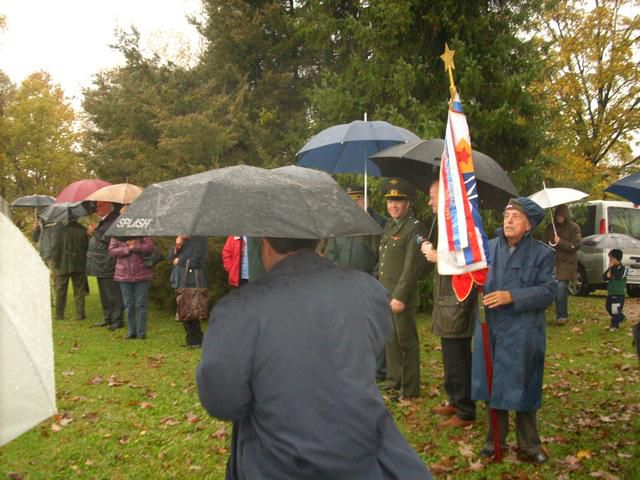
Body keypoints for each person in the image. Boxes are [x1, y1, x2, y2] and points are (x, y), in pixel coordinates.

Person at [197, 237, 431, 480]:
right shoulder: (368, 289)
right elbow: (374, 342)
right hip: (369, 461)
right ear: (319, 239)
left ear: (264, 243)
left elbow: (222, 401)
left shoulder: (238, 309)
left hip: (276, 465)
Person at [471, 197, 556, 464]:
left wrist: (512, 296)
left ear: (528, 225)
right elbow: (471, 272)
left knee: (524, 384)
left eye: (515, 217)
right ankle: (493, 440)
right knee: (492, 381)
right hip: (492, 327)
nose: (508, 220)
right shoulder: (489, 248)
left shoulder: (542, 254)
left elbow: (548, 291)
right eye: (506, 215)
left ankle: (529, 445)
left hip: (523, 330)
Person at [421, 180, 476, 428]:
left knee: (458, 355)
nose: (429, 201)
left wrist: (438, 256)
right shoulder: (445, 226)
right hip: (446, 300)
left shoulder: (459, 226)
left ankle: (465, 410)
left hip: (458, 300)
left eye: (432, 196)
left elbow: (471, 258)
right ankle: (455, 399)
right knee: (450, 353)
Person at [378, 178, 428, 398]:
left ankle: (409, 389)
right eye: (390, 201)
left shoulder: (415, 228)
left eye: (399, 201)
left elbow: (412, 267)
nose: (393, 206)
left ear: (409, 203)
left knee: (406, 342)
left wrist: (399, 296)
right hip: (385, 292)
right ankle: (394, 380)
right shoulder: (389, 225)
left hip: (401, 296)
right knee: (390, 340)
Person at [108, 233, 155, 339]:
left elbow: (150, 247)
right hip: (123, 274)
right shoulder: (117, 233)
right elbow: (111, 250)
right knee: (128, 304)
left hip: (142, 273)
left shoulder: (143, 232)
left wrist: (135, 247)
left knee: (141, 304)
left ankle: (141, 332)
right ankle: (131, 331)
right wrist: (127, 249)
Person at [86, 201, 124, 330]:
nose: (97, 208)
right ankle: (108, 317)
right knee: (104, 293)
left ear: (109, 206)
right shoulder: (104, 220)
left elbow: (110, 239)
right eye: (97, 206)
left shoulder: (113, 220)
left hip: (108, 262)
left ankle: (117, 319)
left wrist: (94, 231)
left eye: (100, 206)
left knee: (112, 293)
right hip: (100, 262)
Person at [543, 204, 582, 325]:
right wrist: (551, 243)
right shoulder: (550, 228)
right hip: (553, 262)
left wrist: (560, 242)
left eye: (561, 215)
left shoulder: (574, 228)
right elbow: (545, 243)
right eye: (557, 215)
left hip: (567, 264)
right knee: (551, 288)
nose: (559, 218)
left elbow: (575, 245)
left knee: (561, 288)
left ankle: (562, 315)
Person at [168, 235, 208, 347]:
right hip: (180, 279)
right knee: (184, 309)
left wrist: (179, 261)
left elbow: (196, 260)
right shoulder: (182, 240)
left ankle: (197, 340)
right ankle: (192, 339)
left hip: (192, 279)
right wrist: (177, 245)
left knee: (192, 309)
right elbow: (170, 257)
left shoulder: (201, 239)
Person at [50, 215, 89, 320]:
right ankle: (80, 314)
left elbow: (55, 247)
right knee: (79, 290)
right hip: (79, 263)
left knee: (61, 290)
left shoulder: (60, 230)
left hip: (63, 263)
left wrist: (56, 262)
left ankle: (59, 314)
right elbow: (86, 247)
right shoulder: (83, 230)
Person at [603, 249, 627, 331]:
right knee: (608, 307)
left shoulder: (623, 268)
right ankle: (621, 317)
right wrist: (609, 269)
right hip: (611, 292)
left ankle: (614, 325)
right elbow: (604, 277)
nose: (610, 260)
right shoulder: (611, 268)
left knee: (615, 309)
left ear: (617, 259)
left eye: (611, 258)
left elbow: (619, 276)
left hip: (619, 293)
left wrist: (611, 274)